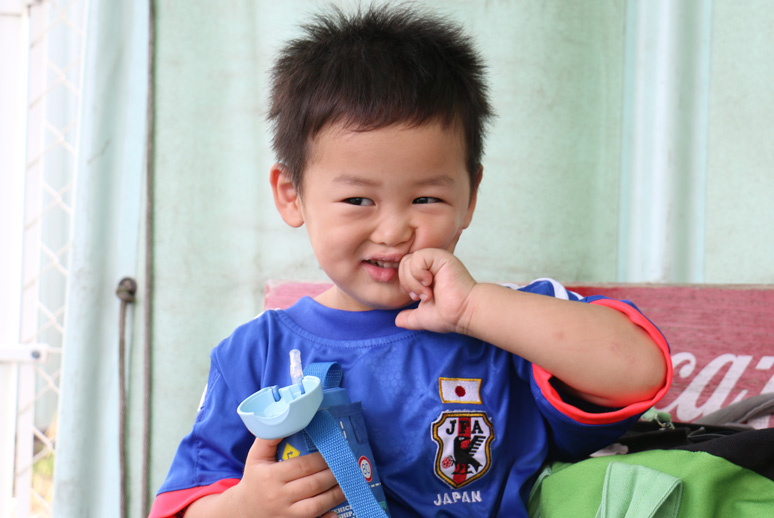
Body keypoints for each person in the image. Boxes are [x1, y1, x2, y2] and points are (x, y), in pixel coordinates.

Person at [149, 4, 672, 517]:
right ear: (292, 194)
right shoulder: (254, 356)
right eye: (358, 199)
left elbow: (641, 371)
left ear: (470, 197)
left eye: (426, 198)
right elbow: (182, 507)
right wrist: (247, 507)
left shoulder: (508, 328)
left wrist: (474, 309)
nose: (394, 230)